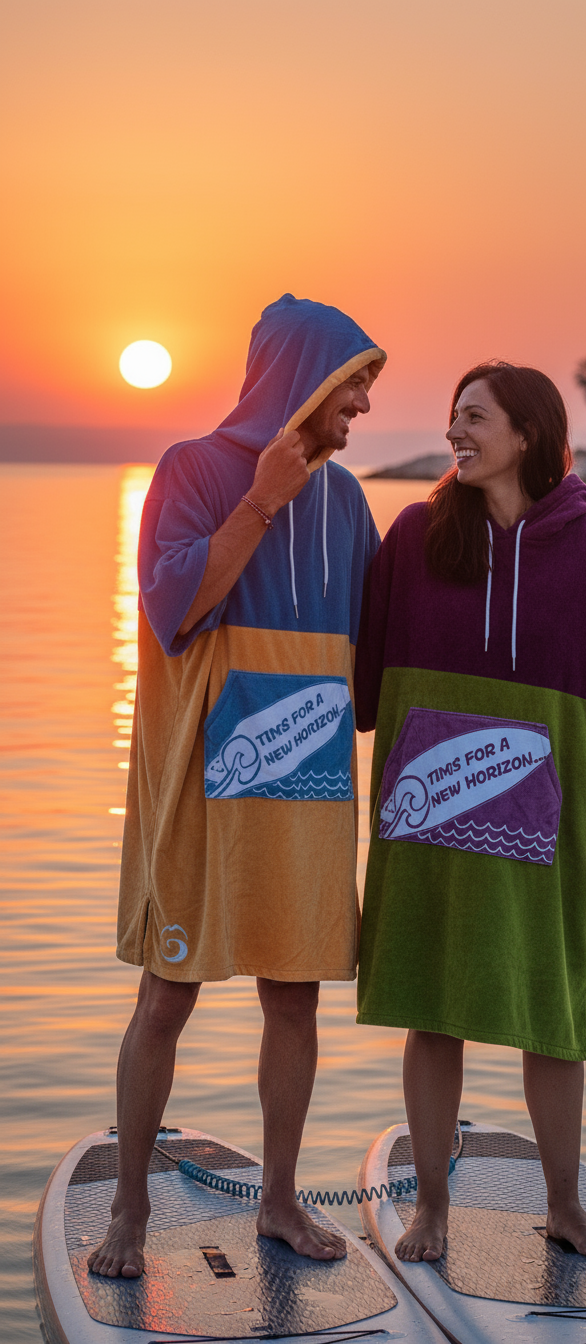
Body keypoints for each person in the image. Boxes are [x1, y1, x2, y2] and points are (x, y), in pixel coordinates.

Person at [354, 361, 586, 1264]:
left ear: (528, 434)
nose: (454, 432)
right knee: (433, 1006)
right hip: (431, 817)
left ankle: (565, 1206)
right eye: (453, 417)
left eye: (474, 417)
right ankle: (430, 1209)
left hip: (556, 815)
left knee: (554, 1010)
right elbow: (357, 677)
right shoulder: (417, 536)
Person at [87, 295, 385, 1278]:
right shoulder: (192, 471)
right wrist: (260, 499)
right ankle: (129, 1205)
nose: (364, 405)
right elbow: (176, 609)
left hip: (308, 789)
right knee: (165, 997)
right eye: (353, 384)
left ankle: (280, 1201)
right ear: (305, 378)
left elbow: (373, 663)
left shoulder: (348, 503)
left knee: (294, 1003)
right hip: (204, 788)